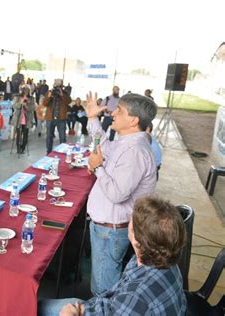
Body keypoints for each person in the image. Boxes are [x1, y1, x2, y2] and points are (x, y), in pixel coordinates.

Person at [38, 196, 187, 316]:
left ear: (136, 240)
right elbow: (116, 296)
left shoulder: (136, 297)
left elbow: (128, 302)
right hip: (109, 308)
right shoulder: (165, 260)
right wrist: (86, 309)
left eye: (131, 221)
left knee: (39, 308)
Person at [84, 92, 157, 295]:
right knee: (102, 280)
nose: (113, 112)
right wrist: (92, 118)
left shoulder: (135, 151)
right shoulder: (128, 142)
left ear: (133, 120)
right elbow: (104, 147)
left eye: (120, 110)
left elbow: (117, 194)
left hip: (111, 230)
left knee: (103, 289)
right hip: (108, 228)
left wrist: (98, 168)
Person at [42, 83, 72, 154]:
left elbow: (68, 101)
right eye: (56, 87)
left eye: (60, 87)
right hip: (50, 118)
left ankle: (63, 152)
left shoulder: (65, 94)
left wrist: (62, 94)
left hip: (61, 119)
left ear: (62, 87)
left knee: (62, 137)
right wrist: (49, 96)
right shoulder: (49, 92)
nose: (58, 89)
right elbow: (44, 103)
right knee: (49, 136)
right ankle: (48, 152)